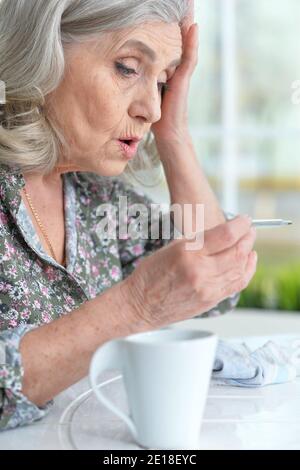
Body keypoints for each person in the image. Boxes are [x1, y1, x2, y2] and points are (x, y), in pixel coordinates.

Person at [0, 0, 257, 431]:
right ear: (41, 55)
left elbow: (218, 282)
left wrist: (174, 133)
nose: (151, 109)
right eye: (127, 67)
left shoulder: (98, 198)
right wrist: (137, 306)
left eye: (162, 80)